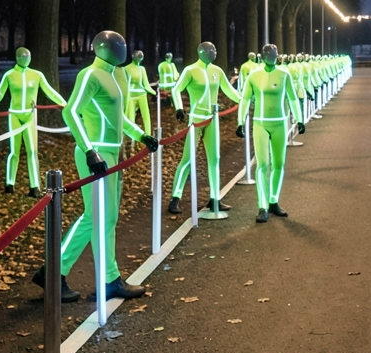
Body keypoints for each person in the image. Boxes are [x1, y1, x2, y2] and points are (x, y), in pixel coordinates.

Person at [37, 31, 158, 302]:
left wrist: (140, 135)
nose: (122, 50)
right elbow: (71, 111)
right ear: (103, 49)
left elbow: (120, 117)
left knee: (103, 217)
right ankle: (95, 276)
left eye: (123, 45)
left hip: (110, 154)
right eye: (117, 46)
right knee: (99, 217)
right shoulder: (90, 75)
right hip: (96, 154)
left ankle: (63, 273)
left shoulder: (117, 75)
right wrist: (89, 149)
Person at [169, 42, 243, 215]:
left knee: (215, 158)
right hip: (196, 119)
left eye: (215, 50)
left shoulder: (217, 71)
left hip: (212, 118)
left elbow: (228, 90)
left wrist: (243, 101)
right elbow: (176, 89)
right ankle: (175, 198)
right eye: (210, 51)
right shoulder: (190, 70)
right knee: (188, 159)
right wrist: (179, 107)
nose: (213, 53)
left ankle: (215, 198)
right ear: (200, 52)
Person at [236, 44, 305, 222]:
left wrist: (299, 119)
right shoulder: (254, 75)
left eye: (274, 54)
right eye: (268, 54)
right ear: (262, 56)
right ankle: (262, 205)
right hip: (260, 124)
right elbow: (245, 98)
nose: (271, 57)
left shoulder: (284, 75)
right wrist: (240, 121)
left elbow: (292, 98)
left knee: (279, 164)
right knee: (263, 164)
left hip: (280, 123)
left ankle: (274, 200)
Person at [0, 47, 67, 197]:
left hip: (30, 115)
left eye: (27, 56)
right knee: (14, 151)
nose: (25, 58)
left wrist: (64, 103)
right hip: (15, 115)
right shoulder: (9, 75)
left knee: (32, 151)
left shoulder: (36, 75)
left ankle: (34, 186)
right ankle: (9, 183)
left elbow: (49, 90)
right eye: (22, 56)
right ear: (17, 58)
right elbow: (0, 91)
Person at [123, 50, 153, 138]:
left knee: (146, 116)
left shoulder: (142, 69)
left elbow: (146, 85)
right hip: (131, 96)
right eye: (138, 56)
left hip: (142, 95)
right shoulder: (126, 68)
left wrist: (154, 92)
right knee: (130, 118)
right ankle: (131, 136)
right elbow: (124, 84)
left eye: (141, 56)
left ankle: (148, 135)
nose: (139, 57)